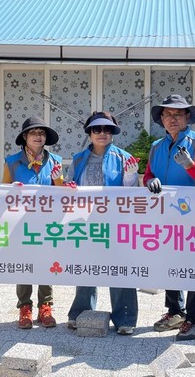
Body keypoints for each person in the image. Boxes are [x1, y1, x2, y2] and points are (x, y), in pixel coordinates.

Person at [143, 94, 195, 341]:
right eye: (168, 114)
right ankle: (175, 311)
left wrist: (190, 164)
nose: (172, 119)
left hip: (194, 216)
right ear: (161, 119)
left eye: (178, 114)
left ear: (187, 117)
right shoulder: (156, 146)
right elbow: (148, 174)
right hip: (166, 215)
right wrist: (150, 180)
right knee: (169, 262)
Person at [66, 112, 140, 335]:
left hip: (116, 221)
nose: (102, 133)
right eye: (97, 129)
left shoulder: (124, 158)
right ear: (89, 133)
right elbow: (69, 185)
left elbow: (131, 193)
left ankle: (125, 318)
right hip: (85, 221)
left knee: (120, 267)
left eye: (107, 129)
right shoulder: (78, 159)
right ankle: (81, 312)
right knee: (86, 267)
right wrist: (68, 187)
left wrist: (131, 176)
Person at [2, 116, 65, 329]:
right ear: (24, 137)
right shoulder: (12, 161)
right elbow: (2, 191)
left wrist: (59, 180)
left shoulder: (55, 160)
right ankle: (24, 307)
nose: (38, 136)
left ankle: (45, 306)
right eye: (33, 133)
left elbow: (62, 193)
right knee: (24, 264)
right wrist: (12, 190)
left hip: (48, 222)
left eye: (42, 133)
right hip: (21, 223)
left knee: (47, 262)